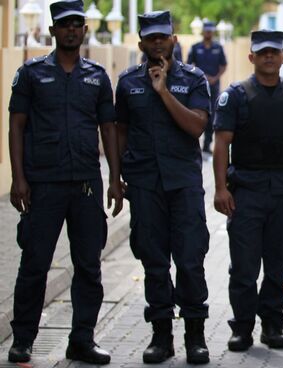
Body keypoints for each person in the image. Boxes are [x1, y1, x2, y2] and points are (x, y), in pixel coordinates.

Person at [7, 0, 122, 364]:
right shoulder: (31, 73)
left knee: (89, 265)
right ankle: (23, 339)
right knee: (35, 264)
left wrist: (115, 180)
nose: (71, 30)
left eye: (77, 24)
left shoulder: (97, 76)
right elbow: (16, 126)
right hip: (43, 184)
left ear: (84, 30)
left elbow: (108, 129)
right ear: (53, 31)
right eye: (64, 24)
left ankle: (82, 340)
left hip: (87, 184)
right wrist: (18, 179)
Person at [115, 10, 211, 364]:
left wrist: (164, 91)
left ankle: (195, 337)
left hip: (183, 184)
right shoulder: (126, 83)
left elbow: (197, 126)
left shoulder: (193, 79)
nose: (157, 43)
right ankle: (161, 337)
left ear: (173, 39)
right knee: (154, 262)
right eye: (150, 38)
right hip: (144, 184)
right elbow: (119, 131)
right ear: (141, 43)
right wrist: (117, 176)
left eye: (163, 37)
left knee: (189, 260)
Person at [213, 30, 283, 352]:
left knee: (279, 264)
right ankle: (241, 328)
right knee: (243, 266)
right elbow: (221, 144)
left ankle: (272, 325)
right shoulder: (236, 95)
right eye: (262, 52)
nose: (269, 57)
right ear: (251, 57)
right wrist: (219, 189)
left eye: (274, 52)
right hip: (247, 192)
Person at [187, 20, 228, 155]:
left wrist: (215, 78)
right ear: (203, 31)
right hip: (198, 88)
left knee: (212, 117)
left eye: (211, 30)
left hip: (213, 87)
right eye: (207, 30)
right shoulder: (195, 47)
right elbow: (188, 66)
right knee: (195, 114)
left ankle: (206, 146)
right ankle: (193, 146)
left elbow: (223, 65)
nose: (209, 32)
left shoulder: (218, 47)